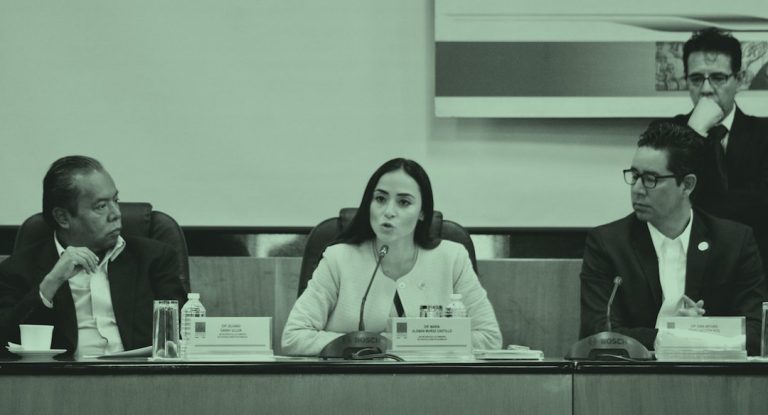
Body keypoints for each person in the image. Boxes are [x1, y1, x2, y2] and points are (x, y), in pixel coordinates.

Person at [579, 122, 767, 355]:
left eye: (651, 179)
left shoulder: (734, 242)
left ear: (687, 185)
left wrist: (698, 332)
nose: (637, 189)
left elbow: (758, 331)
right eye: (635, 176)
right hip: (635, 374)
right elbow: (598, 333)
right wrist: (670, 335)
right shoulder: (608, 243)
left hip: (712, 374)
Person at [282, 158, 502, 356]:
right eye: (380, 199)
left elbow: (489, 338)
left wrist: (404, 342)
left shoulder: (452, 258)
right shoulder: (338, 259)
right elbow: (294, 337)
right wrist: (371, 344)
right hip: (352, 382)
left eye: (403, 202)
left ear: (423, 212)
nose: (388, 211)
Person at [0, 156, 187, 358]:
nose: (116, 213)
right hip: (65, 376)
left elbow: (182, 334)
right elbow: (5, 342)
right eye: (101, 206)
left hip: (139, 374)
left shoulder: (154, 258)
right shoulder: (18, 270)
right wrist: (51, 283)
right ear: (63, 217)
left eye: (115, 200)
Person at [670, 27, 768, 272]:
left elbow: (761, 207)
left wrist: (700, 204)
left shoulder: (764, 134)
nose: (706, 89)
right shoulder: (667, 134)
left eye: (718, 78)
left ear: (740, 79)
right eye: (696, 79)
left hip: (757, 268)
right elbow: (667, 202)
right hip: (686, 268)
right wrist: (694, 134)